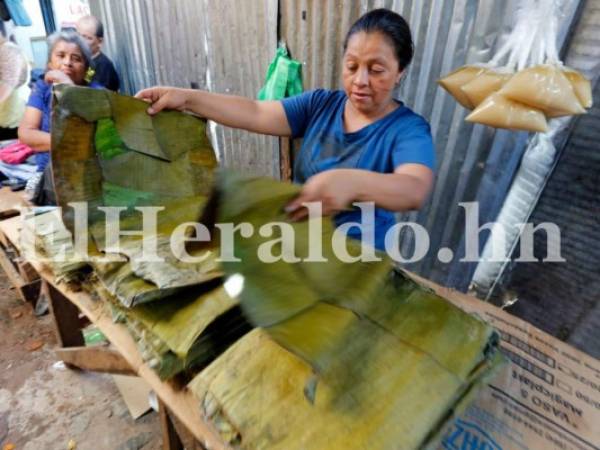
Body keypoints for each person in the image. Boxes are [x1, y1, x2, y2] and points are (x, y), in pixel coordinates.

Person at [136, 9, 435, 251]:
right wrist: (187, 98)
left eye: (377, 70)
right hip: (301, 248)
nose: (360, 80)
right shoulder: (320, 105)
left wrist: (352, 183)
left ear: (400, 72)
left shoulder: (408, 129)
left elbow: (413, 188)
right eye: (352, 66)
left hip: (358, 264)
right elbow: (255, 112)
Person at [18, 31, 102, 204]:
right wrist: (67, 142)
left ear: (86, 68)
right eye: (61, 56)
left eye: (76, 58)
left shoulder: (98, 93)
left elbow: (93, 139)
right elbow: (26, 133)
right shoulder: (42, 88)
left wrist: (67, 87)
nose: (67, 62)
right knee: (28, 208)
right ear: (50, 63)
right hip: (44, 173)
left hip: (86, 176)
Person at [76, 15, 120, 91]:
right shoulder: (84, 62)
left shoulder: (103, 65)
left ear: (100, 42)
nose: (80, 41)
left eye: (87, 38)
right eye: (78, 36)